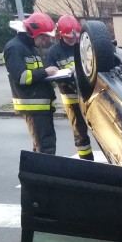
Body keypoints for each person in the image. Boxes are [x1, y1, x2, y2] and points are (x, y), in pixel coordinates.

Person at [4, 12, 59, 154]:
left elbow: (36, 75)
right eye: (43, 37)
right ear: (32, 33)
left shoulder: (30, 47)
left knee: (42, 145)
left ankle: (40, 174)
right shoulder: (14, 48)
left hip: (39, 104)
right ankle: (46, 175)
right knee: (45, 147)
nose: (45, 41)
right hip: (33, 105)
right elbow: (21, 77)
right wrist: (45, 72)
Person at [45, 14, 94, 160]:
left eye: (75, 37)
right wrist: (66, 72)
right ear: (61, 35)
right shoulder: (53, 52)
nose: (73, 39)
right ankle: (87, 162)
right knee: (80, 132)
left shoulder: (82, 46)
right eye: (69, 37)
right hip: (71, 99)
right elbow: (49, 76)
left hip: (87, 95)